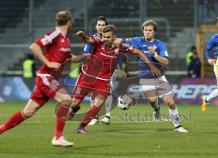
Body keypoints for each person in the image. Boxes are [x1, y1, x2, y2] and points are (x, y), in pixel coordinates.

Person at [0, 10, 88, 147]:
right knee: (66, 100)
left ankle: (1, 129)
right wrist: (47, 63)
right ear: (69, 22)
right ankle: (58, 137)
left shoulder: (66, 40)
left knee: (27, 112)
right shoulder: (56, 33)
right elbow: (34, 46)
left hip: (49, 79)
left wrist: (85, 56)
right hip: (46, 76)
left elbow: (70, 58)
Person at [69, 24, 160, 134]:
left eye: (108, 37)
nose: (105, 39)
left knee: (97, 104)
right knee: (74, 103)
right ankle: (74, 108)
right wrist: (82, 35)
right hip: (87, 77)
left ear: (114, 37)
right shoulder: (98, 41)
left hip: (103, 81)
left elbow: (138, 52)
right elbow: (88, 40)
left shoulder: (120, 46)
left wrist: (151, 65)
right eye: (104, 36)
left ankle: (81, 127)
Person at [128, 20, 188, 132]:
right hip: (145, 78)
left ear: (154, 32)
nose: (147, 32)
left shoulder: (160, 44)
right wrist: (117, 40)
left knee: (170, 102)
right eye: (145, 30)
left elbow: (166, 62)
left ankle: (177, 125)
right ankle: (157, 109)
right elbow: (122, 41)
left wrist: (154, 54)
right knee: (152, 100)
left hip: (159, 77)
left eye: (150, 30)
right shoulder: (137, 41)